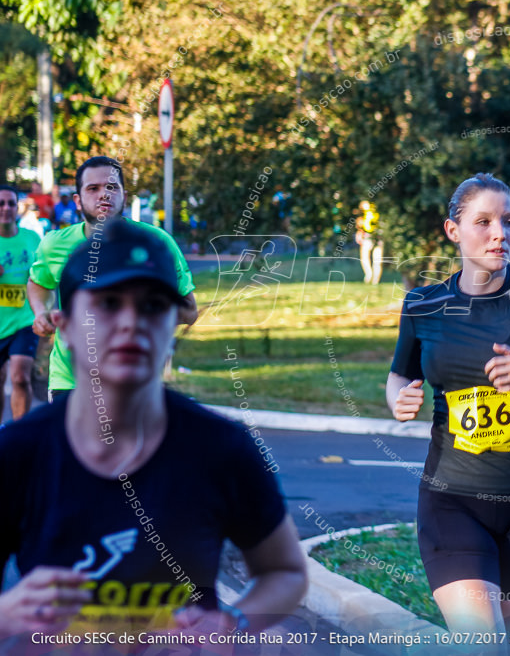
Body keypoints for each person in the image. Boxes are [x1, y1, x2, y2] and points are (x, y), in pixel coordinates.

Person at [0, 220, 307, 642]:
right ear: (64, 325)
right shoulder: (18, 452)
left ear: (175, 324)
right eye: (108, 303)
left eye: (152, 306)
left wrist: (232, 623)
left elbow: (286, 572)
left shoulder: (221, 449)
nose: (131, 322)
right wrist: (6, 615)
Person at [387, 173, 510, 646]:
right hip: (450, 499)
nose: (501, 233)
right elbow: (399, 374)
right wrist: (397, 398)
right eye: (484, 222)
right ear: (453, 230)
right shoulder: (424, 304)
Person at [28, 156, 198, 401]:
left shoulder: (156, 243)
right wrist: (40, 312)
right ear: (77, 200)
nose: (104, 195)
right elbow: (38, 283)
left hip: (133, 379)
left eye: (111, 187)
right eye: (93, 189)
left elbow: (189, 311)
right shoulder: (54, 244)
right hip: (69, 380)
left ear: (124, 196)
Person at [0, 185, 41, 421]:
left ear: (18, 208)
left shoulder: (32, 239)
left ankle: (19, 433)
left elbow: (44, 278)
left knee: (20, 377)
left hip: (24, 320)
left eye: (11, 203)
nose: (6, 208)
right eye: (1, 203)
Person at [356, 200, 383, 284]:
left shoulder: (371, 211)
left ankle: (372, 277)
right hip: (373, 236)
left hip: (373, 236)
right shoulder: (367, 213)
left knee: (371, 258)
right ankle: (371, 276)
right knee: (371, 258)